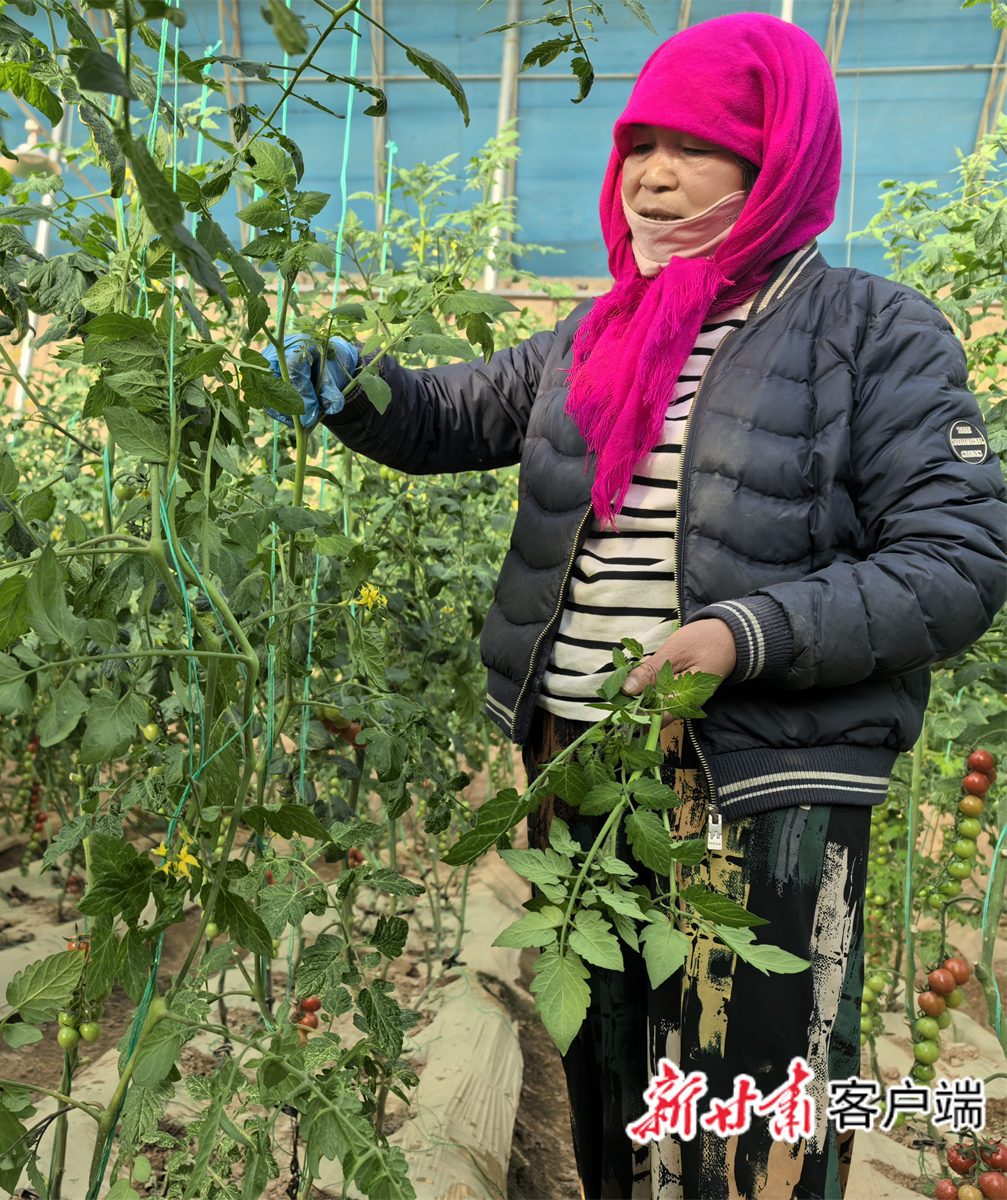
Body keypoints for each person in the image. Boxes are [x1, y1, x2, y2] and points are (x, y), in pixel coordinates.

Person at [265, 14, 1006, 1198]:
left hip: (754, 779)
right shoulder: (599, 332)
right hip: (580, 761)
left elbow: (956, 559)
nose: (648, 177)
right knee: (607, 1073)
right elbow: (453, 414)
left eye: (692, 147)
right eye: (636, 146)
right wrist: (355, 384)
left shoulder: (872, 333)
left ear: (777, 160)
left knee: (748, 1099)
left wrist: (742, 636)